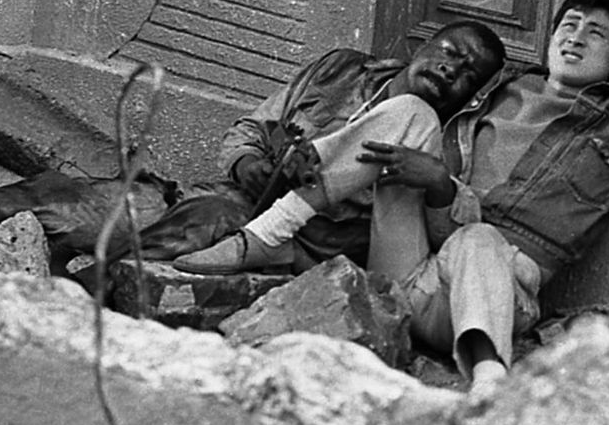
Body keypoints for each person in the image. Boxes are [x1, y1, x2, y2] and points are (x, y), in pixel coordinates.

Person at [354, 0, 609, 394]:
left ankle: (488, 380)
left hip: (495, 289)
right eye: (569, 25)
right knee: (406, 121)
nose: (576, 37)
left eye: (596, 33)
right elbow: (402, 91)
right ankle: (276, 230)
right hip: (413, 262)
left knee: (478, 239)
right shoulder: (490, 85)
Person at [172, 20, 506, 280]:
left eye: (468, 74)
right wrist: (250, 164)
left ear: (473, 97)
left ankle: (269, 235)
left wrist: (438, 183)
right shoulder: (341, 71)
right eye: (448, 51)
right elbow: (257, 128)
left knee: (416, 113)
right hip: (257, 206)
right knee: (196, 219)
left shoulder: (453, 140)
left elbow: (451, 244)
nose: (451, 69)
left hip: (329, 253)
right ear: (420, 47)